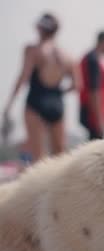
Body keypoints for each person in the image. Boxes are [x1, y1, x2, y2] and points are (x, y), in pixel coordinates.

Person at [2, 13, 80, 162]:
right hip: (57, 103)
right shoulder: (67, 56)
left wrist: (9, 105)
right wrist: (57, 93)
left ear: (40, 29)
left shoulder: (33, 49)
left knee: (38, 158)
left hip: (36, 101)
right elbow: (76, 85)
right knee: (60, 156)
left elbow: (23, 78)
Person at [79, 30, 104, 140]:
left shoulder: (94, 58)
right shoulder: (93, 59)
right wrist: (99, 120)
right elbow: (94, 91)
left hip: (95, 113)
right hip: (93, 114)